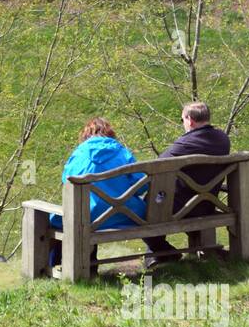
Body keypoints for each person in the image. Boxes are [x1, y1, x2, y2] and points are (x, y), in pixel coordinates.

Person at [47, 117, 147, 268]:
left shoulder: (79, 154)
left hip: (87, 217)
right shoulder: (122, 152)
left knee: (60, 218)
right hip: (126, 215)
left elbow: (66, 184)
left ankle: (54, 265)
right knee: (93, 211)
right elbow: (141, 186)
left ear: (86, 134)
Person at [143, 101, 231, 266]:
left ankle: (161, 252)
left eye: (182, 119)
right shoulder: (223, 139)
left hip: (183, 207)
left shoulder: (186, 143)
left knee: (145, 209)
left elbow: (158, 164)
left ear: (190, 120)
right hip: (207, 202)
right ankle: (156, 255)